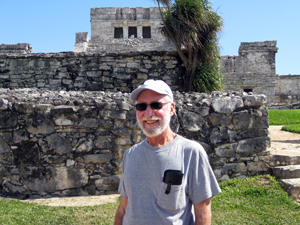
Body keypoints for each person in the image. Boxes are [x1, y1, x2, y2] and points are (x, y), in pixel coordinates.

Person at [114, 79, 221, 225]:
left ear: (171, 109)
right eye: (141, 106)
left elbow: (202, 212)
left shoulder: (191, 153)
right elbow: (123, 209)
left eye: (156, 105)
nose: (148, 113)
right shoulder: (130, 155)